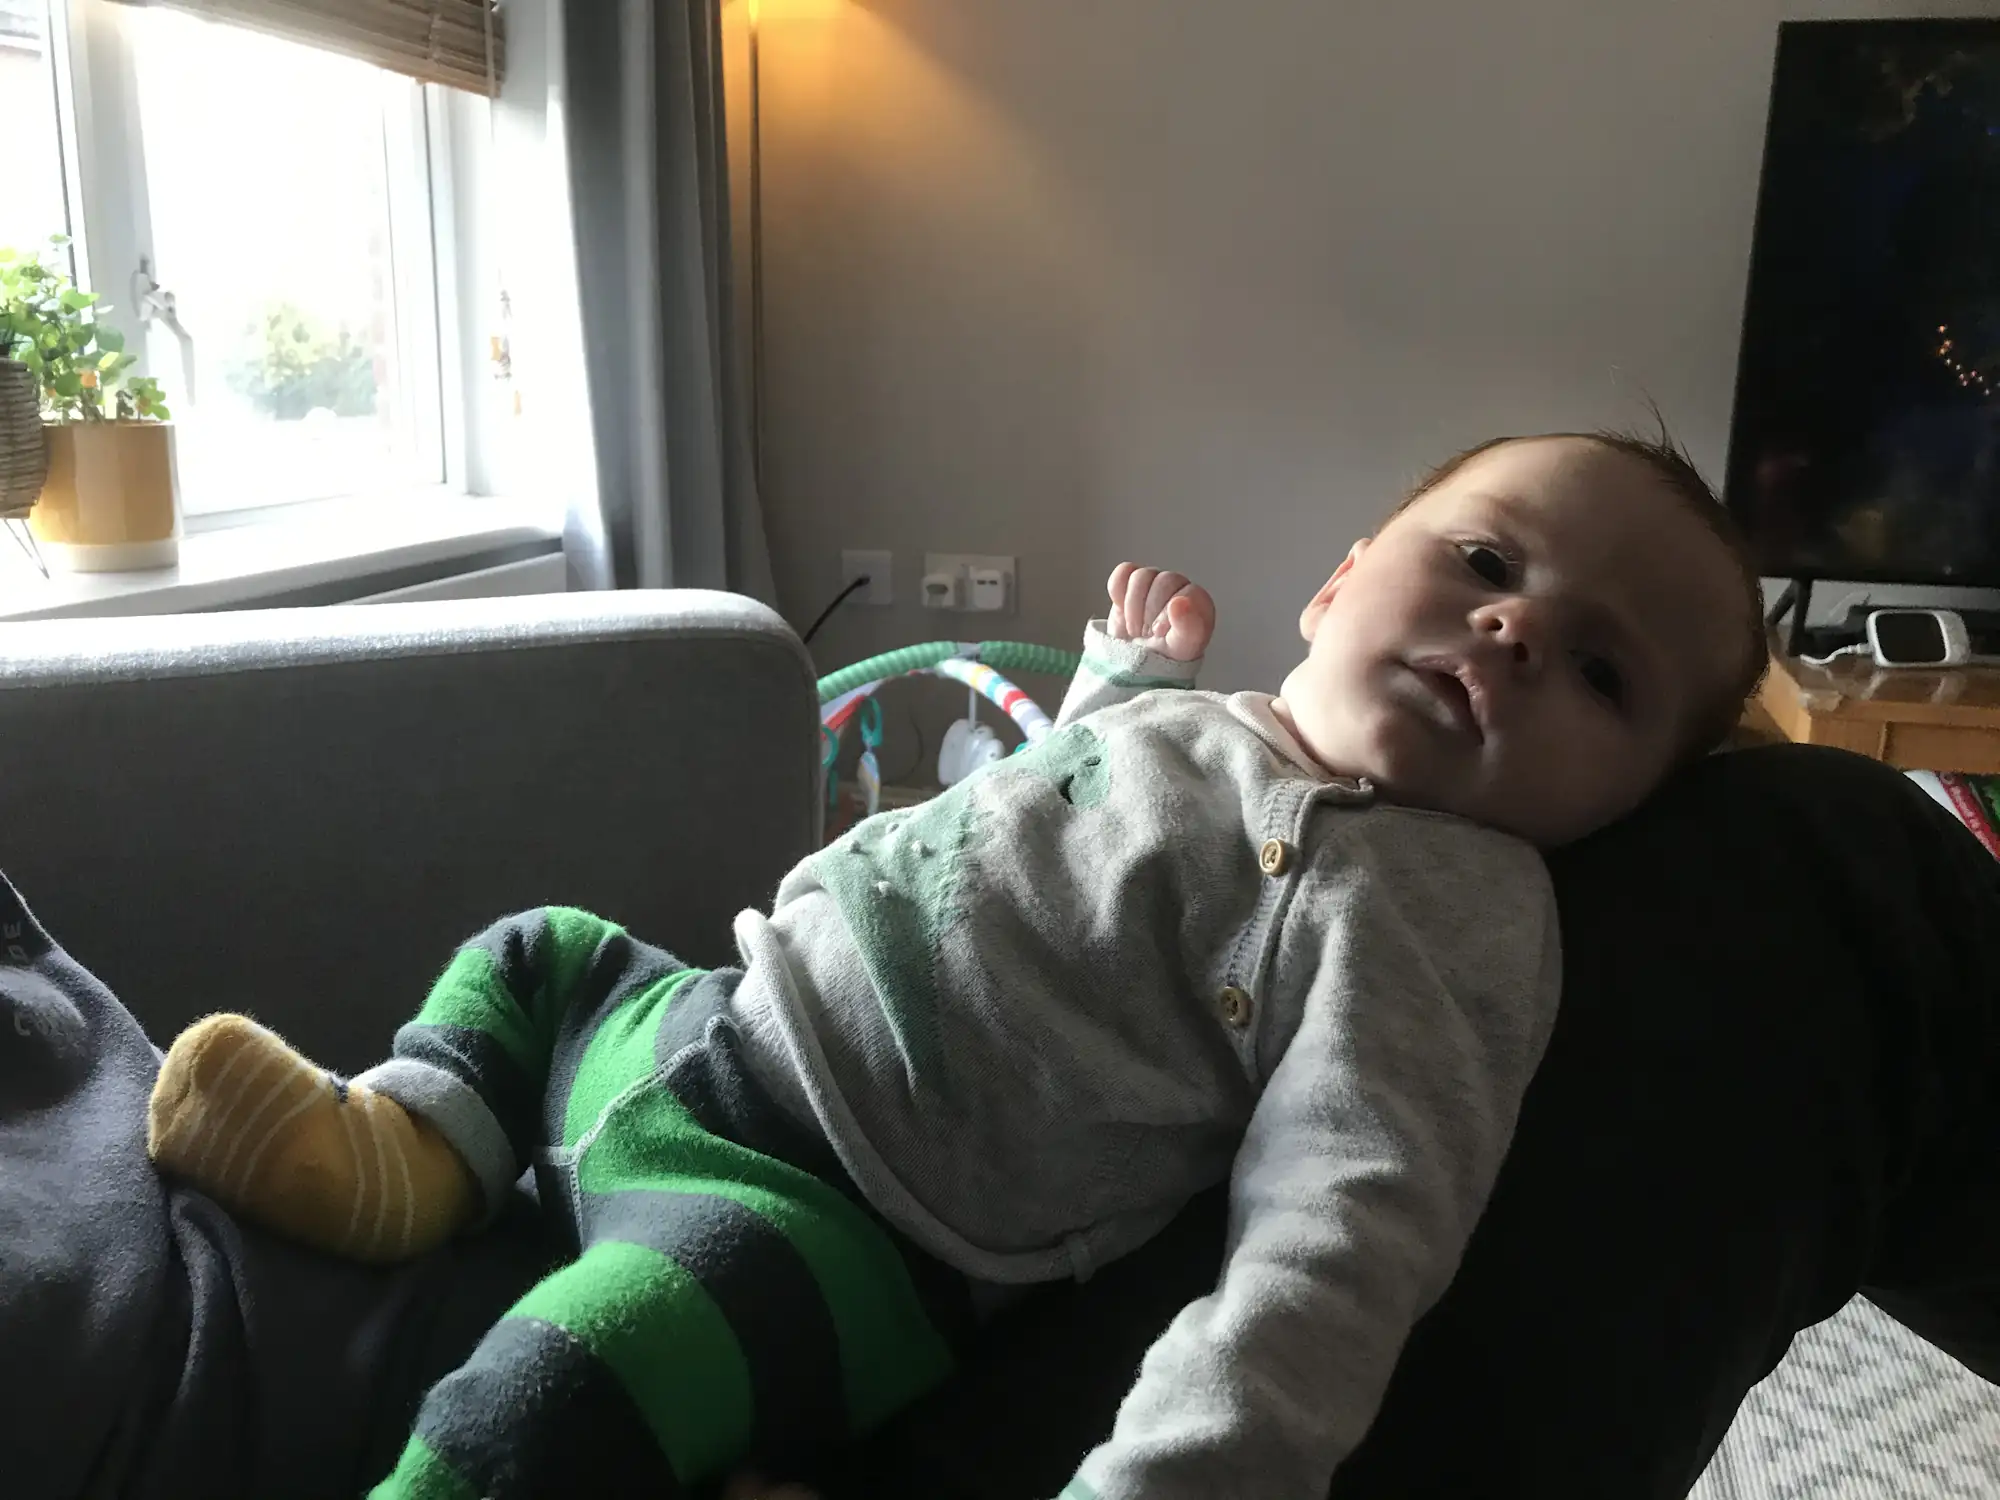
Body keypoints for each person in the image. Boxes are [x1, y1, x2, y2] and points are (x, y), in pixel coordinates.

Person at [143, 431, 1770, 1500]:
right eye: (1486, 562)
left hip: (824, 1222)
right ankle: (400, 1154)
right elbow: (1052, 812)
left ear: (1629, 813)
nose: (1516, 633)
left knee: (558, 1392)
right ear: (1341, 584)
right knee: (540, 949)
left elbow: (1348, 1234)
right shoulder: (1217, 728)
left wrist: (1189, 1474)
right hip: (711, 1020)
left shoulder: (1438, 908)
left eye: (1602, 672)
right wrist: (1122, 679)